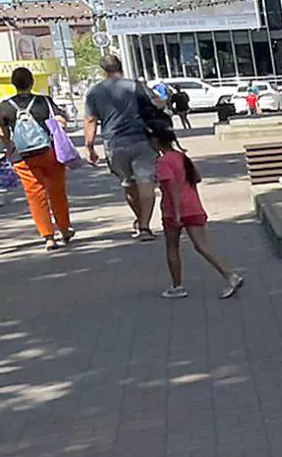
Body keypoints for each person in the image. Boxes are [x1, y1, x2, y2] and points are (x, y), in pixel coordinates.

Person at [151, 127, 242, 300]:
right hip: (193, 206)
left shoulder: (163, 162)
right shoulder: (182, 157)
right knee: (202, 245)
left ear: (156, 142)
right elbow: (197, 177)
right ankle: (230, 275)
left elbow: (172, 190)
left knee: (172, 247)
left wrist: (177, 214)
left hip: (173, 211)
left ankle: (177, 286)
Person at [83, 56, 163, 241]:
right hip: (142, 140)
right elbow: (158, 103)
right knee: (146, 184)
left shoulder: (94, 92)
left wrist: (90, 147)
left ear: (103, 70)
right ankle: (144, 226)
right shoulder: (136, 85)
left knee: (128, 184)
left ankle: (140, 219)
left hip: (115, 143)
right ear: (121, 66)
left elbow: (90, 120)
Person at [2, 66, 76, 252]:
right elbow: (60, 120)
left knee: (35, 196)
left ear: (13, 84)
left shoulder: (4, 106)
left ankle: (48, 237)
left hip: (23, 157)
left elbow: (2, 132)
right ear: (31, 82)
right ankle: (65, 229)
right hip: (49, 153)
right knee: (57, 191)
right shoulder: (44, 102)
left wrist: (9, 143)